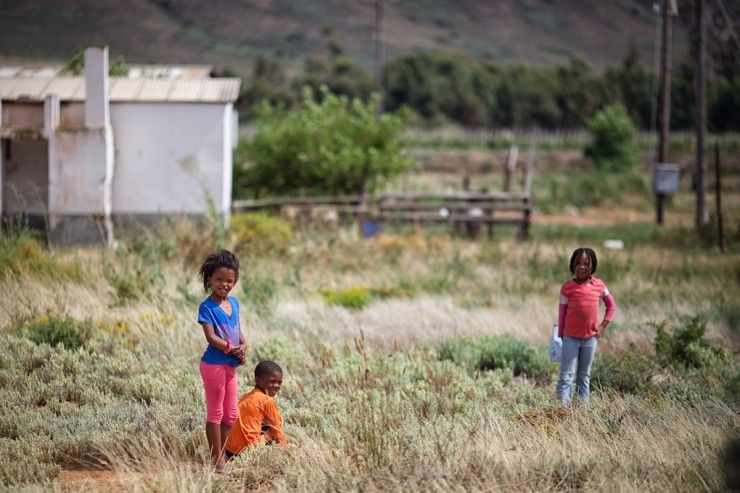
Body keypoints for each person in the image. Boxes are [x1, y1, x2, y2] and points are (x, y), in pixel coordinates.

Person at [197, 250, 247, 474]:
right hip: (213, 365)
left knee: (232, 414)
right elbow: (211, 338)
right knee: (216, 414)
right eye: (219, 280)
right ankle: (216, 460)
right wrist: (231, 348)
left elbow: (237, 331)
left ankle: (220, 454)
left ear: (235, 281)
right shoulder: (207, 307)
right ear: (210, 280)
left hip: (230, 364)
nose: (224, 285)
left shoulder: (234, 303)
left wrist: (243, 347)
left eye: (229, 281)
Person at [555, 247, 616, 406]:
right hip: (570, 339)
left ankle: (581, 410)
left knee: (584, 376)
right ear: (573, 266)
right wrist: (560, 336)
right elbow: (562, 313)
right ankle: (562, 409)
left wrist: (603, 326)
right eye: (578, 263)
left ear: (593, 265)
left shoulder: (599, 285)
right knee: (567, 375)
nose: (582, 267)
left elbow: (611, 306)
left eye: (586, 263)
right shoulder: (567, 287)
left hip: (590, 339)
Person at [225, 360, 288, 458]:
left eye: (279, 382)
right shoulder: (267, 400)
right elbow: (277, 431)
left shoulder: (246, 396)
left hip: (230, 451)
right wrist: (287, 453)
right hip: (249, 452)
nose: (276, 386)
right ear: (258, 381)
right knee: (276, 424)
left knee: (264, 424)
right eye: (272, 381)